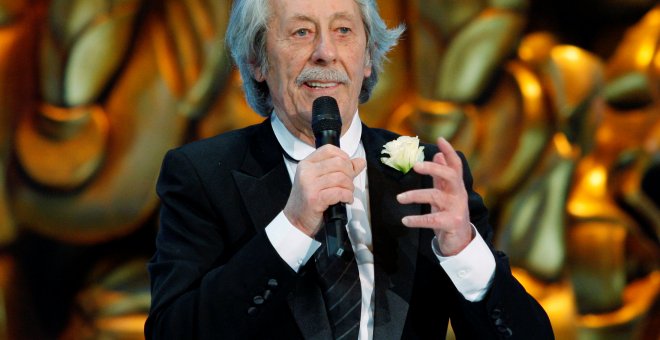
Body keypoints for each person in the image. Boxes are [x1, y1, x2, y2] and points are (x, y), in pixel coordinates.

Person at [145, 0, 554, 339]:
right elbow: (171, 332)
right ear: (257, 62)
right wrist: (292, 227)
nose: (326, 52)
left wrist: (465, 252)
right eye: (301, 32)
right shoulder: (201, 175)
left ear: (367, 61)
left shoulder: (429, 174)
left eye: (343, 31)